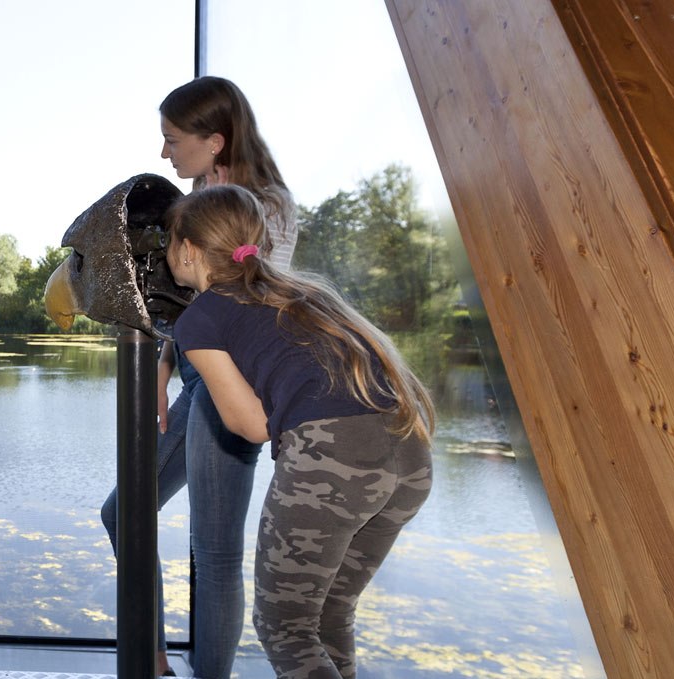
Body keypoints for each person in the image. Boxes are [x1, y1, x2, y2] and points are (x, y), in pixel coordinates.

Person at [166, 184, 435, 679]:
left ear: (187, 250)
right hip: (409, 454)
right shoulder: (301, 292)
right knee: (330, 612)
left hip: (335, 460)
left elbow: (252, 426)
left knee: (284, 626)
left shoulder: (199, 318)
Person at [99, 75, 295, 678]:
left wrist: (188, 360)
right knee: (122, 514)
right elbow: (187, 305)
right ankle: (151, 657)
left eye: (172, 139)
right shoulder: (199, 206)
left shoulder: (264, 209)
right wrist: (163, 364)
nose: (164, 153)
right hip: (197, 378)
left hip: (231, 385)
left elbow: (246, 305)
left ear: (213, 142)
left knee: (213, 551)